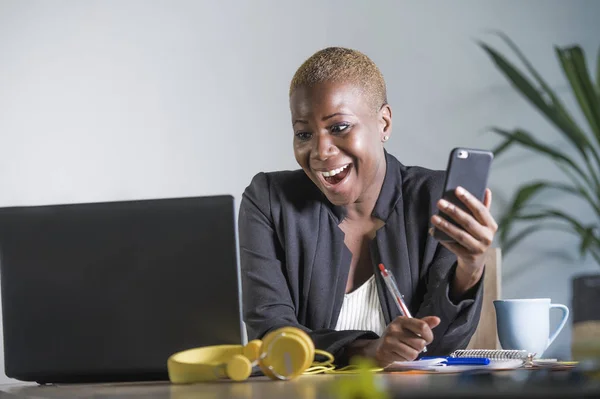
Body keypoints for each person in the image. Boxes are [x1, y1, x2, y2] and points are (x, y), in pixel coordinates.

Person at [238, 47, 498, 367]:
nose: (320, 151)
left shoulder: (435, 199)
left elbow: (439, 347)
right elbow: (270, 336)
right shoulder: (269, 201)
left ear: (383, 123)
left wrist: (470, 269)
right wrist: (367, 351)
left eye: (339, 127)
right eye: (304, 133)